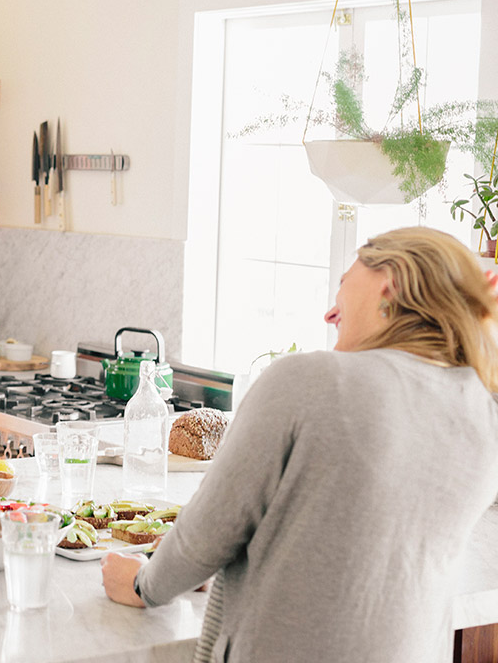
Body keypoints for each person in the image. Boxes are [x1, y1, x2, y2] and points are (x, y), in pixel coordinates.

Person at [102, 227, 498, 663]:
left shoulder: (309, 380)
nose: (330, 314)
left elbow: (206, 536)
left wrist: (143, 585)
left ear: (392, 284)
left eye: (344, 285)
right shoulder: (481, 407)